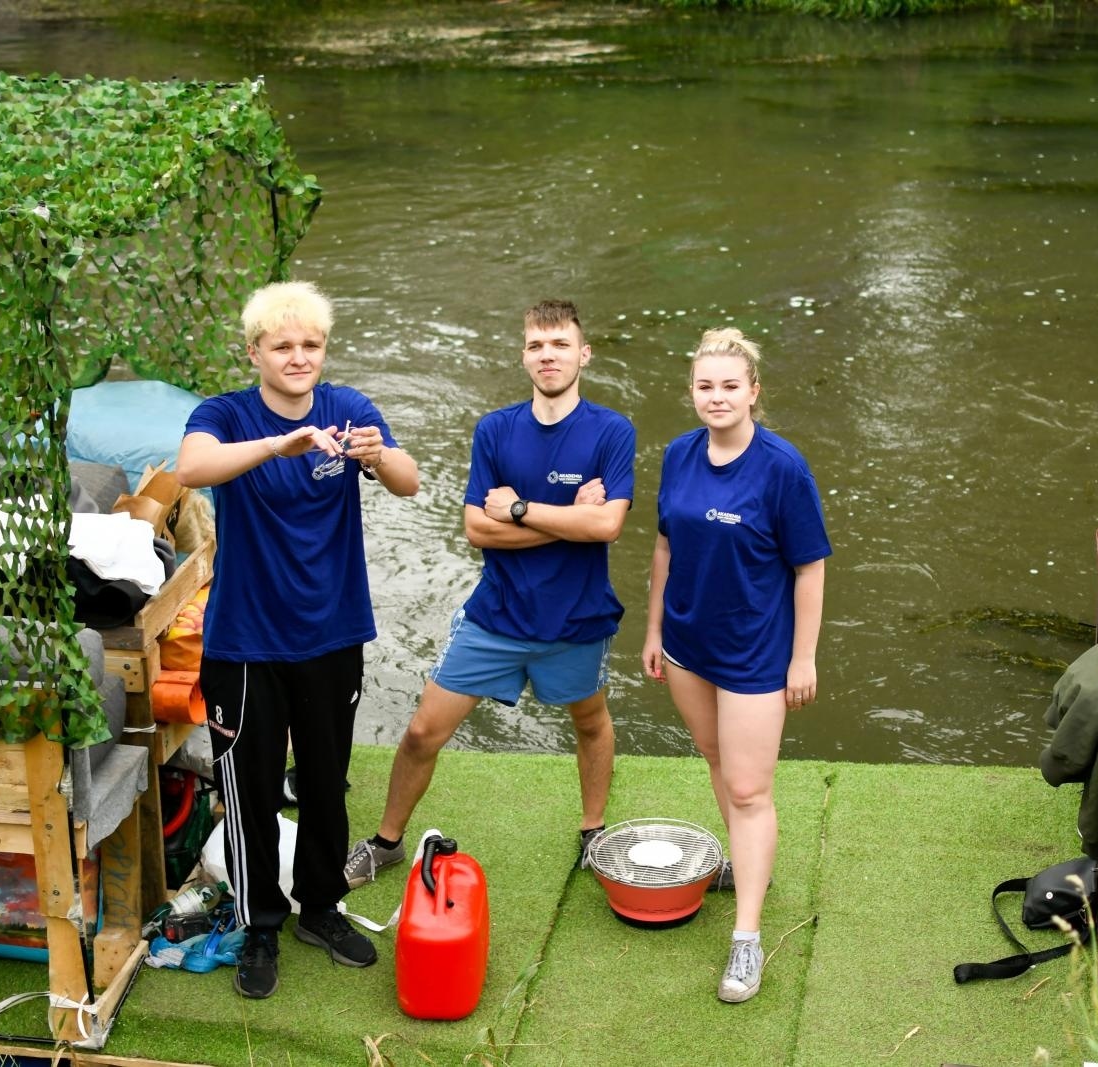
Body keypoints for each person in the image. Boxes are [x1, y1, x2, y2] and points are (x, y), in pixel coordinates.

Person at [177, 281, 421, 1000]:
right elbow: (190, 469)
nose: (298, 356)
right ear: (255, 351)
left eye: (310, 345)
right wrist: (275, 444)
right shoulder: (224, 412)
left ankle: (320, 906)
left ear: (324, 350)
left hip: (332, 632)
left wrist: (376, 456)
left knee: (325, 777)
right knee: (249, 789)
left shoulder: (350, 410)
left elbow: (409, 482)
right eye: (282, 345)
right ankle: (259, 923)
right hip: (245, 641)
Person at [344, 299, 634, 891]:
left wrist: (523, 510)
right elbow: (477, 530)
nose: (547, 356)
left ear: (583, 353)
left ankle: (593, 831)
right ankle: (386, 843)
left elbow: (606, 528)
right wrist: (567, 517)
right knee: (424, 731)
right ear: (524, 354)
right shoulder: (497, 429)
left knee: (589, 721)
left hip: (577, 619)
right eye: (536, 345)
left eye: (559, 345)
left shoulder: (611, 431)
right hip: (495, 617)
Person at [641, 327, 830, 1004]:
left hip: (756, 655)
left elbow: (809, 566)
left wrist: (802, 657)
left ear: (753, 391)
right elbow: (665, 546)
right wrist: (656, 627)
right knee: (715, 755)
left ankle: (746, 939)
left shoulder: (783, 467)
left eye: (729, 385)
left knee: (750, 788)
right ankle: (747, 865)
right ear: (691, 391)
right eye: (704, 385)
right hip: (690, 644)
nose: (716, 397)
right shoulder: (678, 455)